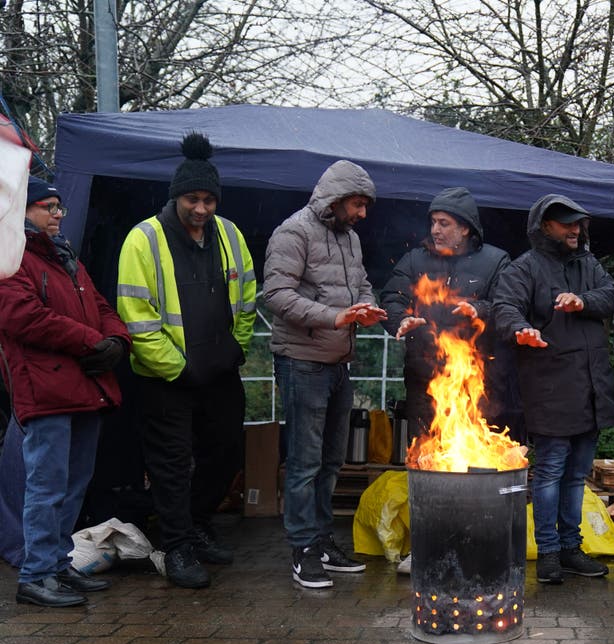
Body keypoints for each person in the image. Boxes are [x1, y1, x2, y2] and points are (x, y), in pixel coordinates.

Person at [116, 133, 256, 590]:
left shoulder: (230, 234)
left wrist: (236, 348)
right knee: (172, 464)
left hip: (219, 371)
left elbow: (248, 297)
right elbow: (136, 317)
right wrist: (177, 368)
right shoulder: (143, 239)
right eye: (193, 199)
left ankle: (196, 523)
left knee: (228, 451)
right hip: (164, 378)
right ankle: (176, 546)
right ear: (176, 196)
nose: (201, 209)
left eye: (209, 200)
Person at [0, 176, 130, 606]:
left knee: (74, 483)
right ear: (23, 212)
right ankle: (36, 575)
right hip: (47, 390)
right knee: (47, 486)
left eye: (59, 207)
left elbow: (101, 306)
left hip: (83, 385)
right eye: (47, 207)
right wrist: (92, 342)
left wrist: (117, 341)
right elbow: (23, 316)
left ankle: (57, 566)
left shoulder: (66, 258)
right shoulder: (9, 258)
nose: (57, 214)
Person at [262, 160, 388, 589]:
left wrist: (365, 308)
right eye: (358, 204)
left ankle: (320, 540)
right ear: (335, 199)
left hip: (338, 363)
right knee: (304, 463)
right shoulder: (293, 232)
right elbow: (276, 294)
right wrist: (335, 317)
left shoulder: (349, 238)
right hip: (302, 362)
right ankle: (303, 550)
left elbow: (362, 284)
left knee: (332, 460)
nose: (363, 214)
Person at [492, 194, 614, 585]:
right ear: (544, 226)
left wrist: (581, 300)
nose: (575, 230)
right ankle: (548, 551)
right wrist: (521, 330)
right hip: (548, 387)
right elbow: (504, 308)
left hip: (592, 387)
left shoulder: (589, 263)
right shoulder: (524, 268)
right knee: (549, 473)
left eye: (578, 223)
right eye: (566, 224)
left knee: (577, 475)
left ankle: (571, 548)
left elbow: (612, 296)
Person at [380, 186, 520, 440]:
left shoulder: (496, 260)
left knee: (477, 457)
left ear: (465, 228)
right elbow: (391, 298)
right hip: (424, 380)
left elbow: (507, 306)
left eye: (444, 223)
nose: (435, 230)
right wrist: (401, 319)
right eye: (433, 222)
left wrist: (479, 309)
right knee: (426, 457)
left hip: (479, 382)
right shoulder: (414, 260)